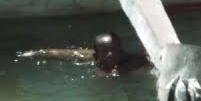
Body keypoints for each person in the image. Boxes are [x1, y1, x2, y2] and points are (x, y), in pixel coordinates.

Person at [19, 32, 150, 75]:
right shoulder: (94, 58)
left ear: (121, 50)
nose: (111, 54)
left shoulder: (133, 62)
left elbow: (147, 59)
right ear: (96, 56)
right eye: (105, 52)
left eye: (115, 50)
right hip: (93, 58)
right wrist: (35, 53)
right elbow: (64, 53)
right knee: (77, 54)